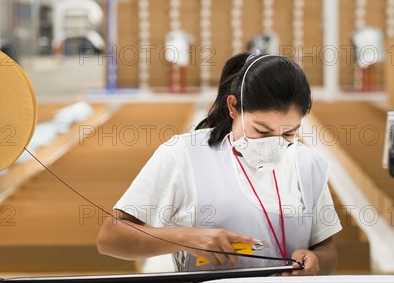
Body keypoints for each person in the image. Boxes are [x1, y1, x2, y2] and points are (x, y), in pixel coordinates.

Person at [97, 52, 342, 275]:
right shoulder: (184, 154)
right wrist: (185, 238)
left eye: (289, 133)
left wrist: (315, 260)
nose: (275, 144)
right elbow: (111, 237)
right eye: (262, 131)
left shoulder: (308, 164)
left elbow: (326, 249)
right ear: (233, 107)